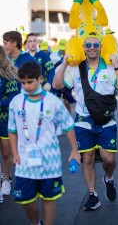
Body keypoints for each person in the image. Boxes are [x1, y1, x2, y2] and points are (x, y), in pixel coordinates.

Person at [53, 32, 118, 211]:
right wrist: (64, 63)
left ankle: (108, 178)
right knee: (86, 158)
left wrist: (117, 66)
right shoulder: (75, 67)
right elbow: (56, 85)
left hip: (106, 119)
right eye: (89, 45)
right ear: (83, 48)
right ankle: (93, 196)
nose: (92, 48)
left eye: (96, 45)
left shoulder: (110, 67)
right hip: (83, 120)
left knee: (108, 159)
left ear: (101, 47)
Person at [8, 61, 81, 225]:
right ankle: (36, 223)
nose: (26, 86)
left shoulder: (53, 101)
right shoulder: (16, 102)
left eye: (30, 82)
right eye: (23, 82)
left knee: (49, 199)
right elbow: (12, 130)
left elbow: (68, 126)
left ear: (40, 79)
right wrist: (15, 153)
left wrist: (74, 151)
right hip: (25, 161)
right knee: (24, 199)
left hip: (50, 162)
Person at [0, 46, 19, 196]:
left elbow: (13, 97)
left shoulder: (8, 74)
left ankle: (6, 180)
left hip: (5, 120)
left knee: (6, 153)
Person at [50, 38, 76, 114]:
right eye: (61, 49)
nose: (62, 51)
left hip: (67, 81)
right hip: (57, 80)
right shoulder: (53, 55)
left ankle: (69, 116)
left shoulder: (71, 55)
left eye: (64, 49)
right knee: (56, 100)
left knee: (67, 100)